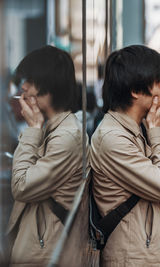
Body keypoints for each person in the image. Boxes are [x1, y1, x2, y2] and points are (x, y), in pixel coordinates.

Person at [90, 45, 160, 266]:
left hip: (147, 252)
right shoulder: (113, 137)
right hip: (137, 257)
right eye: (157, 81)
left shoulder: (133, 128)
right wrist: (156, 131)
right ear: (135, 91)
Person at [7, 45, 88, 266]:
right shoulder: (54, 128)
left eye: (30, 81)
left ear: (49, 88)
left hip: (45, 250)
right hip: (41, 244)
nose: (23, 87)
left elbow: (22, 186)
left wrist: (31, 129)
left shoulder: (67, 136)